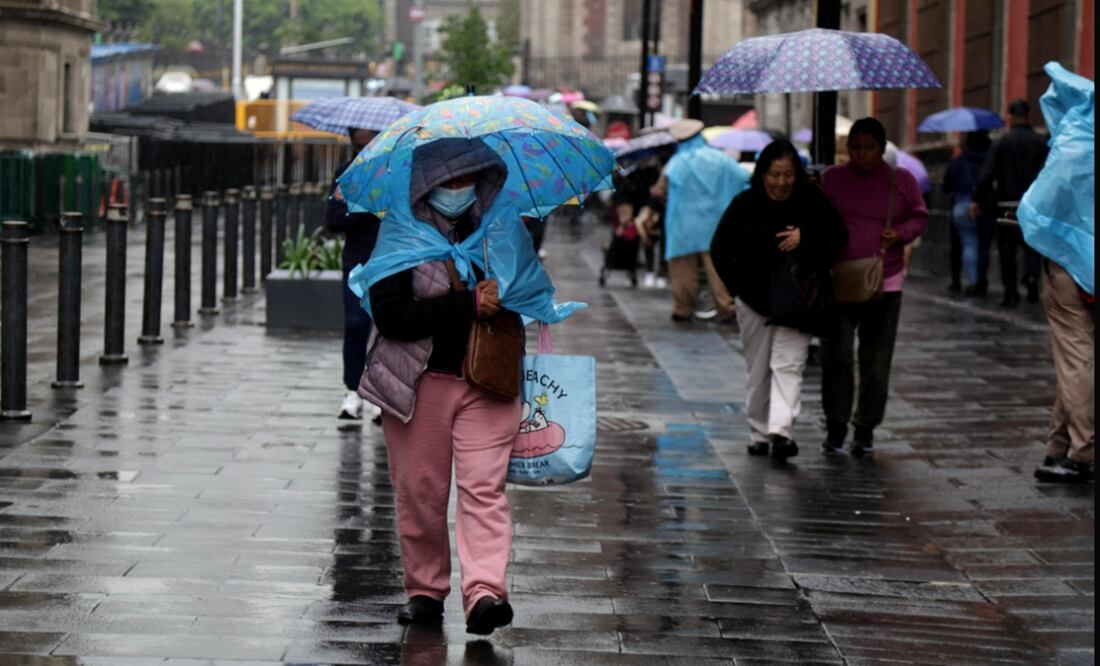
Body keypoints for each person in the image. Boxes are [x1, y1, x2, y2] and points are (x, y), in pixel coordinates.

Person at [360, 137, 522, 635]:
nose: (459, 189)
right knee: (422, 494)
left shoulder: (500, 230)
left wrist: (509, 290)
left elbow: (533, 295)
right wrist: (466, 304)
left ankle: (485, 593)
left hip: (488, 382)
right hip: (418, 382)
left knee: (483, 489)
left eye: (468, 179)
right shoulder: (400, 236)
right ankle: (426, 589)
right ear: (426, 185)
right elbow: (391, 316)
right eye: (448, 180)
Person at [711, 141, 848, 462]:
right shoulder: (745, 204)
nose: (781, 182)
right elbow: (719, 248)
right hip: (754, 301)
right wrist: (737, 289)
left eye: (787, 175)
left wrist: (807, 237)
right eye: (774, 174)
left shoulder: (812, 201)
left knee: (789, 365)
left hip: (798, 301)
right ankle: (759, 432)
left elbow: (838, 237)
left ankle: (781, 431)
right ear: (762, 174)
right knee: (758, 369)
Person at [819, 118, 928, 457]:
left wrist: (901, 234)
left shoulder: (901, 180)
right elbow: (815, 218)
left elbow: (920, 216)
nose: (862, 154)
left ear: (882, 149)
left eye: (869, 148)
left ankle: (865, 428)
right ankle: (836, 425)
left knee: (876, 362)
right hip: (839, 282)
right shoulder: (830, 179)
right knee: (836, 357)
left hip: (887, 283)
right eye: (855, 147)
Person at [658, 118, 749, 322]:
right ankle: (726, 307)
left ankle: (683, 308)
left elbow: (660, 190)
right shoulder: (721, 159)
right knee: (718, 268)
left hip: (683, 224)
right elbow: (743, 179)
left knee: (682, 269)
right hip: (715, 223)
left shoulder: (676, 163)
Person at [327, 127, 383, 421]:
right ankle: (352, 389)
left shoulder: (395, 173)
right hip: (357, 261)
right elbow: (333, 220)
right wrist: (364, 207)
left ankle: (380, 393)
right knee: (356, 324)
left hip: (391, 259)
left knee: (387, 328)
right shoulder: (346, 174)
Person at [972, 99, 1049, 306]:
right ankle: (1032, 277)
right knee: (1032, 246)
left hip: (1007, 205)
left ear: (1010, 116)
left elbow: (987, 174)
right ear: (1028, 115)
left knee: (1008, 249)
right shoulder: (1041, 142)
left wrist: (977, 198)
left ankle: (1011, 292)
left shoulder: (1001, 143)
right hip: (1034, 205)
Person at [1033, 259, 1094, 483]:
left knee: (1075, 359)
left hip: (1071, 263)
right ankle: (1061, 445)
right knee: (1072, 359)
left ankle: (1083, 454)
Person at [943, 131, 995, 296]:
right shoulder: (989, 161)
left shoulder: (958, 161)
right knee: (984, 246)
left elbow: (946, 185)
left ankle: (972, 281)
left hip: (961, 205)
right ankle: (981, 280)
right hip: (985, 206)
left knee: (969, 243)